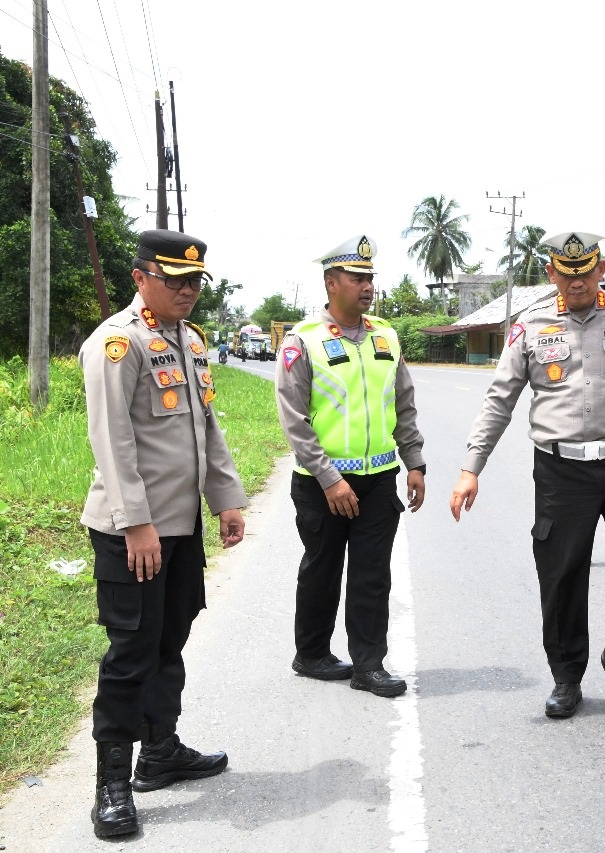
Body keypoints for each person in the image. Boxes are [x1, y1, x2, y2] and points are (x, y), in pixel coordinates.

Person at [450, 232, 605, 718]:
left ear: (600, 271)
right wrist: (472, 467)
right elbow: (500, 399)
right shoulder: (529, 326)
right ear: (552, 274)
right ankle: (567, 677)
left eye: (585, 274)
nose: (577, 283)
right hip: (559, 470)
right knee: (562, 574)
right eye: (566, 275)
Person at [79, 229, 248, 839]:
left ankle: (160, 751)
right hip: (132, 532)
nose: (186, 290)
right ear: (140, 277)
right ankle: (112, 786)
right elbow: (113, 442)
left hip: (178, 530)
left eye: (194, 281)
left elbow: (206, 427)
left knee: (169, 642)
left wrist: (225, 499)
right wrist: (138, 524)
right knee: (130, 653)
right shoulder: (118, 344)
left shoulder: (191, 342)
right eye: (173, 279)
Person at [275, 235, 426, 699]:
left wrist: (414, 461)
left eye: (370, 279)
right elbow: (294, 420)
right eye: (357, 278)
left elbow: (402, 402)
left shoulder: (387, 337)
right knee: (321, 570)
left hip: (379, 479)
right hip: (322, 485)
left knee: (371, 574)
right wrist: (329, 478)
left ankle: (369, 664)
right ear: (331, 282)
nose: (367, 287)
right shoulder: (304, 342)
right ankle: (313, 653)